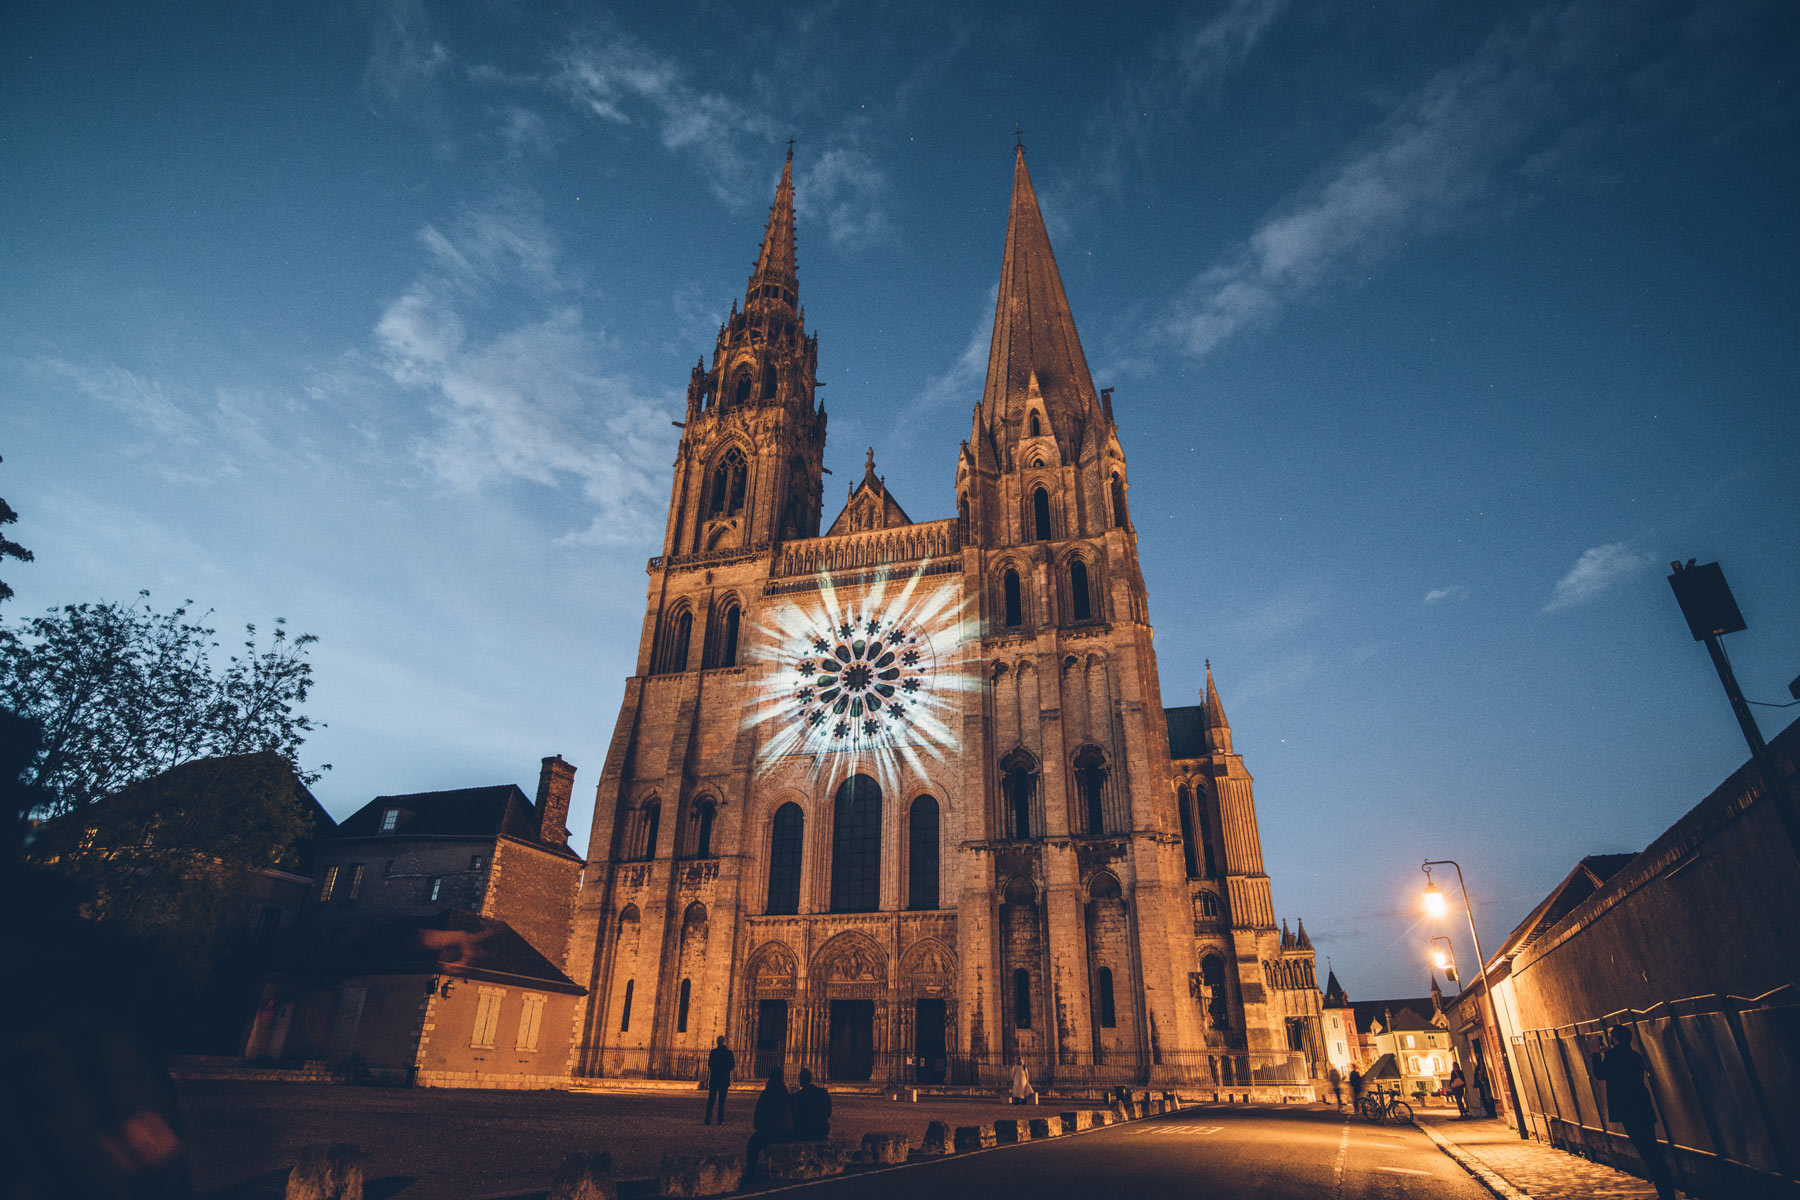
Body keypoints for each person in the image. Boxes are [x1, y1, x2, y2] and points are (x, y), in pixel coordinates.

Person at [1592, 1025, 1677, 1200]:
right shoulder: (1634, 1056)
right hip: (1643, 1108)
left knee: (1647, 1151)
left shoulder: (1613, 1057)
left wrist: (1595, 1054)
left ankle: (1666, 1193)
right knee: (1651, 1149)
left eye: (1610, 1036)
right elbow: (1621, 1068)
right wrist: (1609, 1054)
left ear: (1615, 1038)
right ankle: (1667, 1191)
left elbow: (1600, 1073)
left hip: (1628, 1110)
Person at [743, 1068, 793, 1181]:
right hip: (786, 1132)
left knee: (753, 1144)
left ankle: (751, 1175)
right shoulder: (786, 1093)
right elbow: (795, 1112)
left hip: (771, 1131)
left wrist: (759, 1126)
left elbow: (759, 1112)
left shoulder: (767, 1093)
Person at [791, 1068, 832, 1139]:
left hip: (803, 1131)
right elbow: (828, 1112)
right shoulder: (823, 1093)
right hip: (822, 1130)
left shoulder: (797, 1096)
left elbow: (794, 1115)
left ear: (800, 1080)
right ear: (811, 1078)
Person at [703, 1035, 735, 1125]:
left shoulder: (713, 1052)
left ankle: (708, 1119)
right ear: (724, 1042)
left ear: (717, 1042)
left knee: (711, 1101)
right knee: (722, 1102)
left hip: (714, 1080)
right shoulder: (729, 1053)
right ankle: (720, 1121)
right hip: (724, 1080)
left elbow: (710, 1064)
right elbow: (732, 1066)